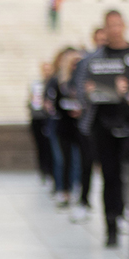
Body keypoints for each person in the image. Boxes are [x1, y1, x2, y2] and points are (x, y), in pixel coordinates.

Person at [76, 11, 129, 247]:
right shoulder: (92, 60)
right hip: (102, 124)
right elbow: (81, 92)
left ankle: (126, 213)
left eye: (118, 24)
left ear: (124, 25)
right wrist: (89, 90)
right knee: (109, 174)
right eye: (110, 25)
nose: (115, 29)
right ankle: (111, 222)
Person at [46, 48, 85, 214]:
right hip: (63, 124)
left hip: (81, 125)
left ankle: (79, 191)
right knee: (64, 159)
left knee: (80, 160)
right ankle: (64, 190)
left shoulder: (82, 81)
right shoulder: (57, 81)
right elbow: (51, 103)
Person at [29, 62, 55, 185]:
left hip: (49, 119)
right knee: (41, 146)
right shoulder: (36, 84)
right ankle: (43, 170)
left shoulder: (54, 83)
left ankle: (51, 170)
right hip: (38, 118)